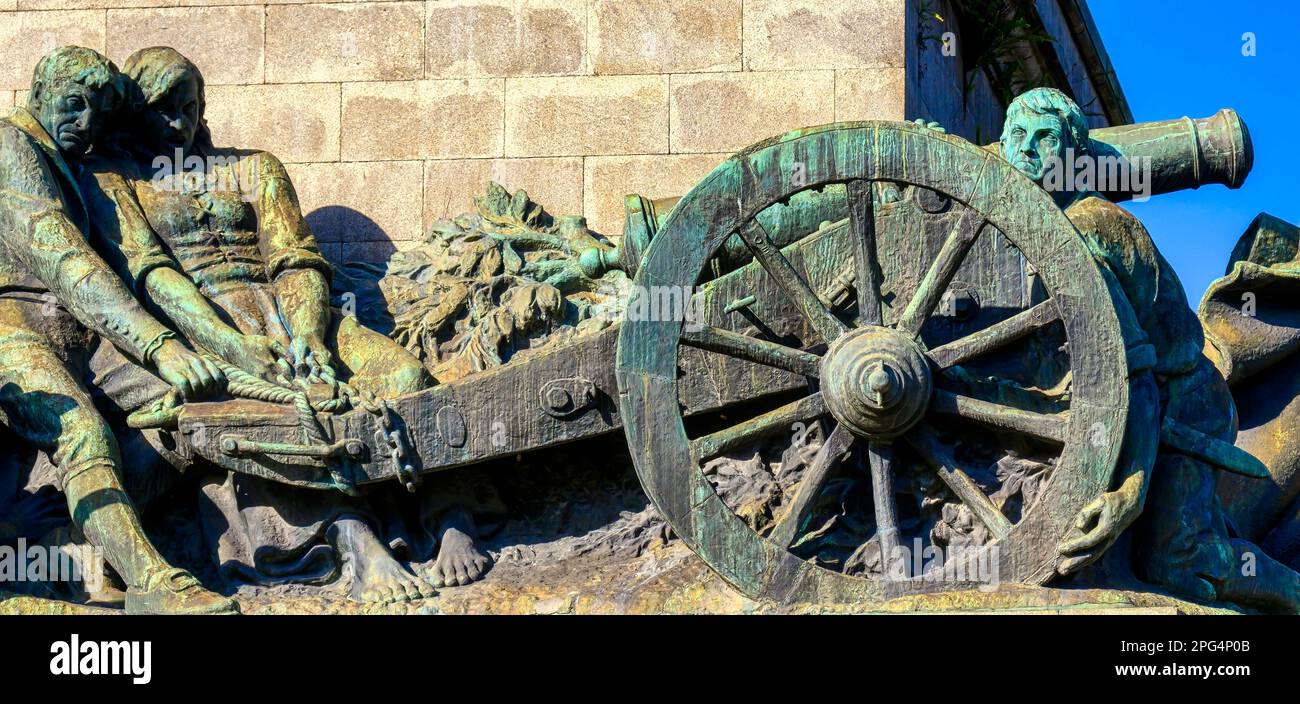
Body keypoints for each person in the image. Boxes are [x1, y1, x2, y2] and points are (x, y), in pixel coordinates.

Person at [82, 47, 492, 601]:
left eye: (189, 106)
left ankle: (453, 516)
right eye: (162, 110)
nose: (179, 123)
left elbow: (293, 258)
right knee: (273, 413)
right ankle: (354, 539)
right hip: (202, 326)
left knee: (403, 378)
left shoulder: (255, 167)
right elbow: (154, 277)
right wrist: (230, 344)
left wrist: (307, 333)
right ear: (135, 112)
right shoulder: (116, 184)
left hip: (291, 309)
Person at [999, 87, 1299, 610]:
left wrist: (1132, 491)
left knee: (1178, 562)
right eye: (1016, 136)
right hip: (1105, 401)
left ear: (1072, 158)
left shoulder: (1093, 230)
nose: (1026, 150)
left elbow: (1134, 372)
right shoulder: (1000, 211)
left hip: (1183, 400)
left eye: (1044, 139)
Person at [0, 46, 236, 614]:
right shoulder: (10, 145)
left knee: (189, 408)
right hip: (11, 326)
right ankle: (154, 583)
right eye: (74, 106)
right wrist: (160, 345)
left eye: (98, 117)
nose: (85, 125)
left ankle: (79, 541)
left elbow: (129, 260)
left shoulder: (78, 168)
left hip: (82, 334)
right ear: (37, 97)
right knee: (81, 429)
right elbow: (61, 258)